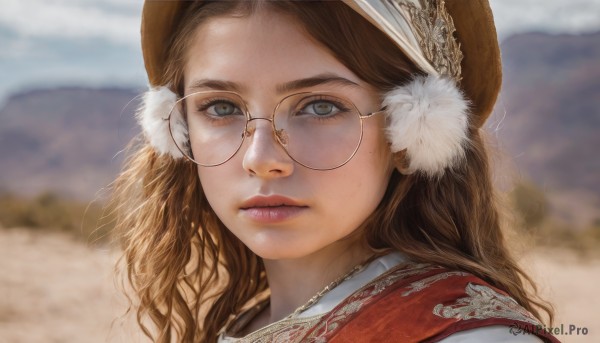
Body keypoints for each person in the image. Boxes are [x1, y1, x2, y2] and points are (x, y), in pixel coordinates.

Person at [112, 1, 560, 342]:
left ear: (408, 135)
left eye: (321, 106)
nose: (261, 157)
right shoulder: (245, 322)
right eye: (221, 107)